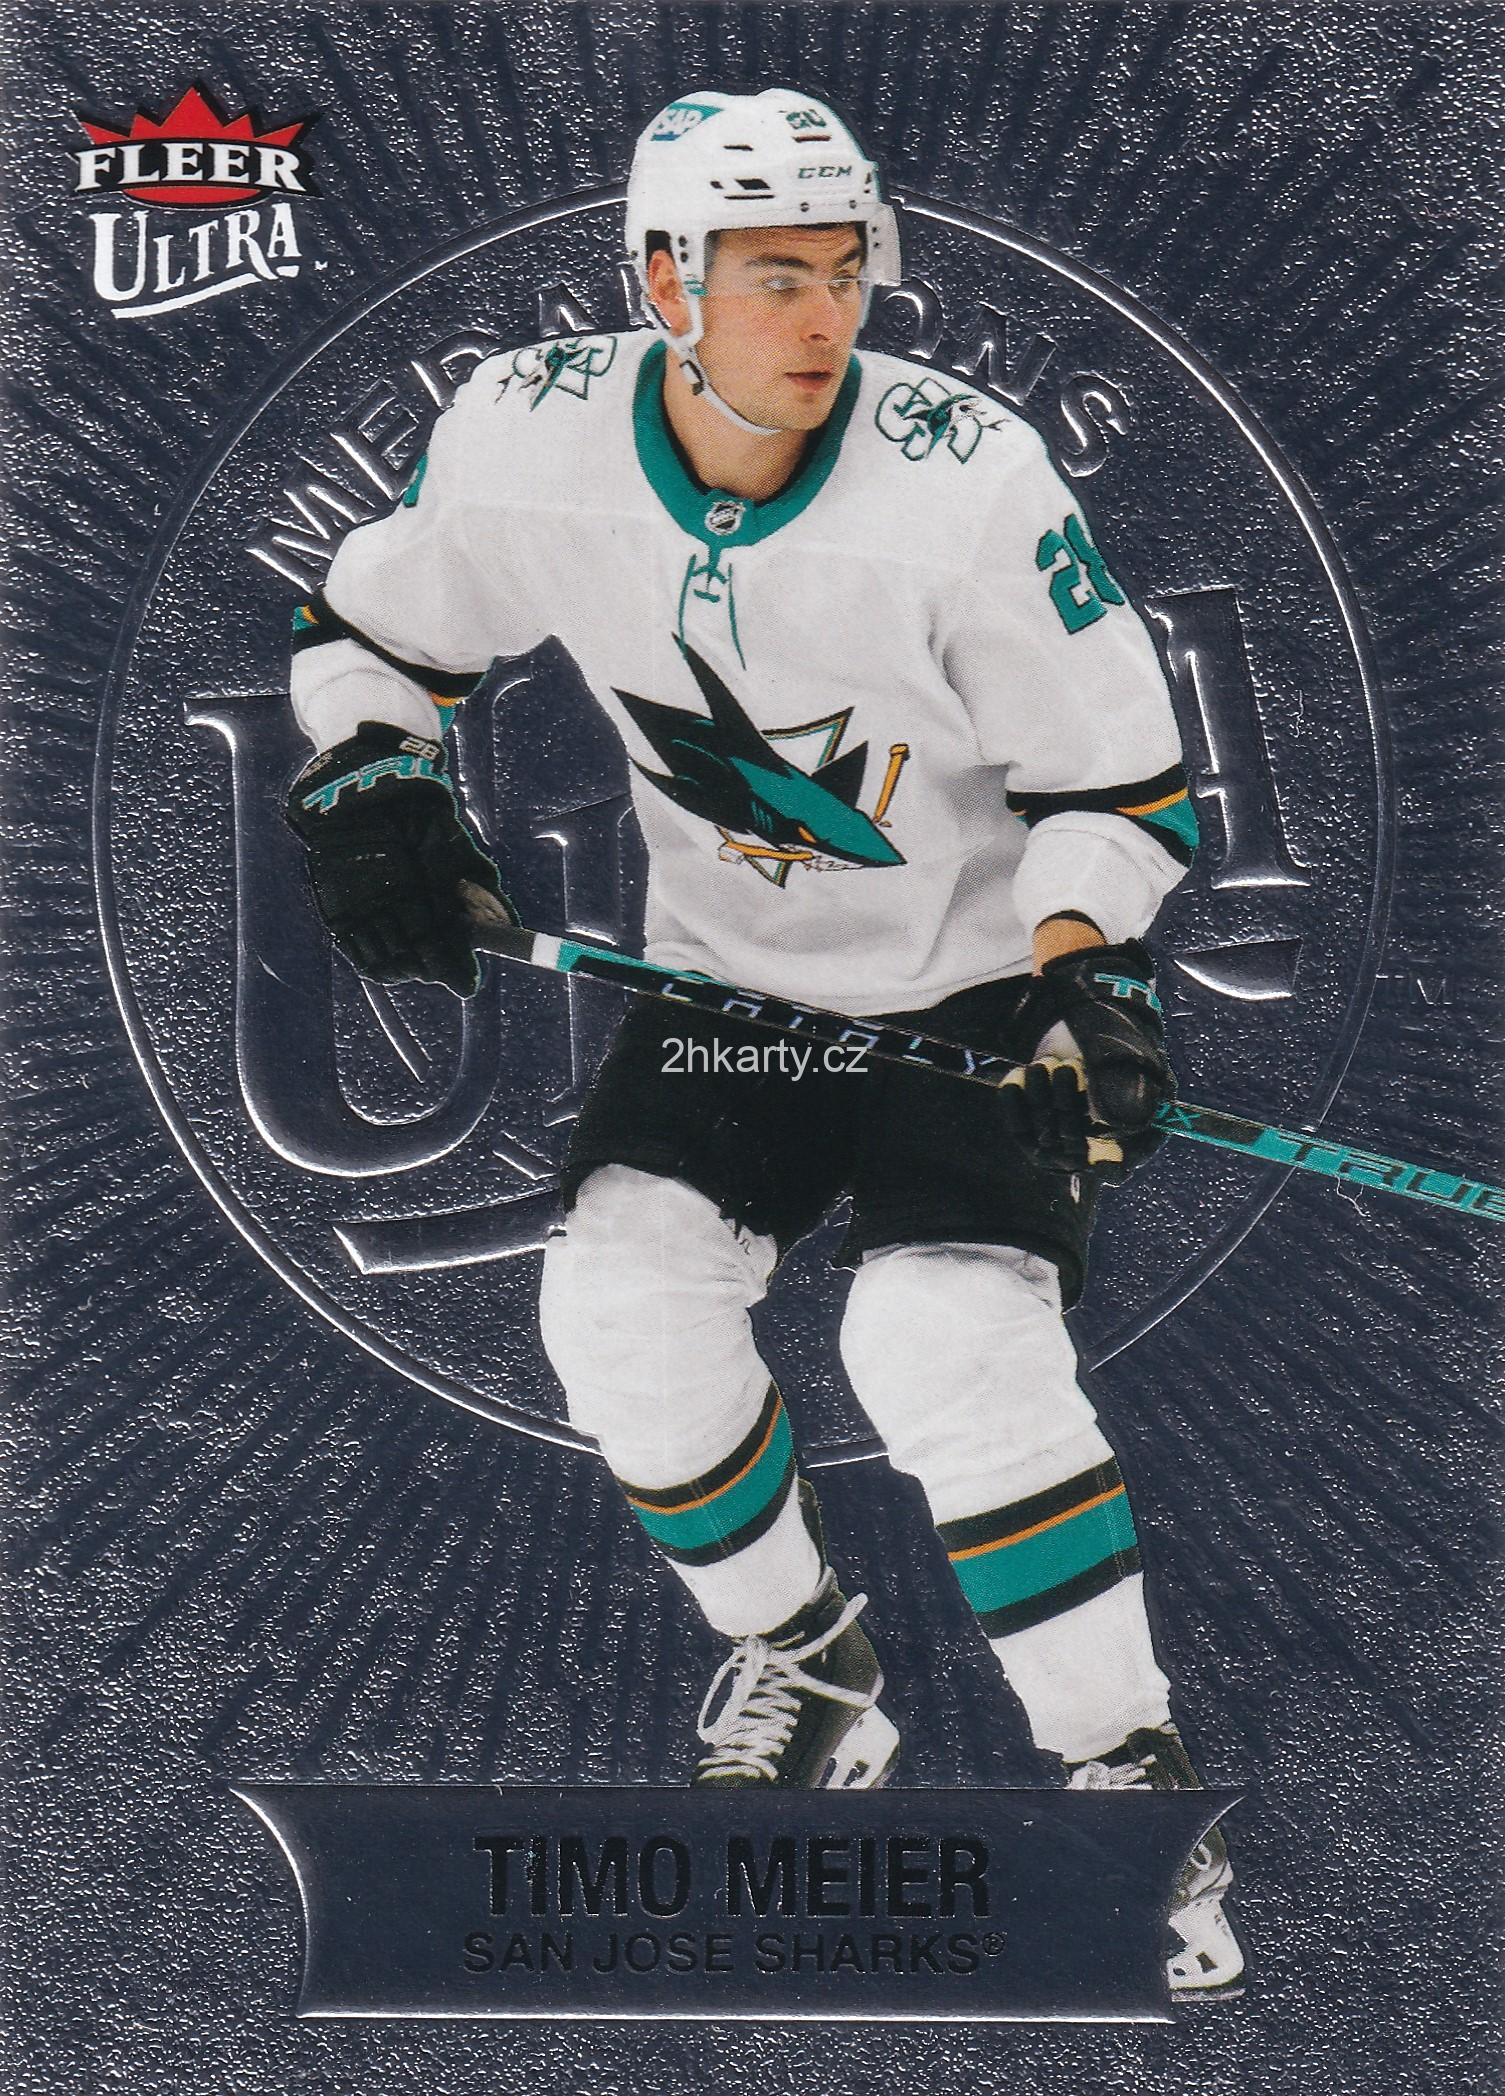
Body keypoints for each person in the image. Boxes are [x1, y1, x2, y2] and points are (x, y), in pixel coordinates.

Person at [280, 88, 1243, 2000]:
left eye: (845, 270)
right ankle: (806, 1661)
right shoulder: (527, 436)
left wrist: (1089, 977)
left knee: (940, 1341)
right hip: (737, 998)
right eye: (774, 276)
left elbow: (1113, 785)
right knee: (616, 1303)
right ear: (663, 283)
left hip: (973, 995)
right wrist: (373, 775)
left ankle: (1128, 1783)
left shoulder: (967, 481)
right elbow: (377, 634)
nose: (825, 316)